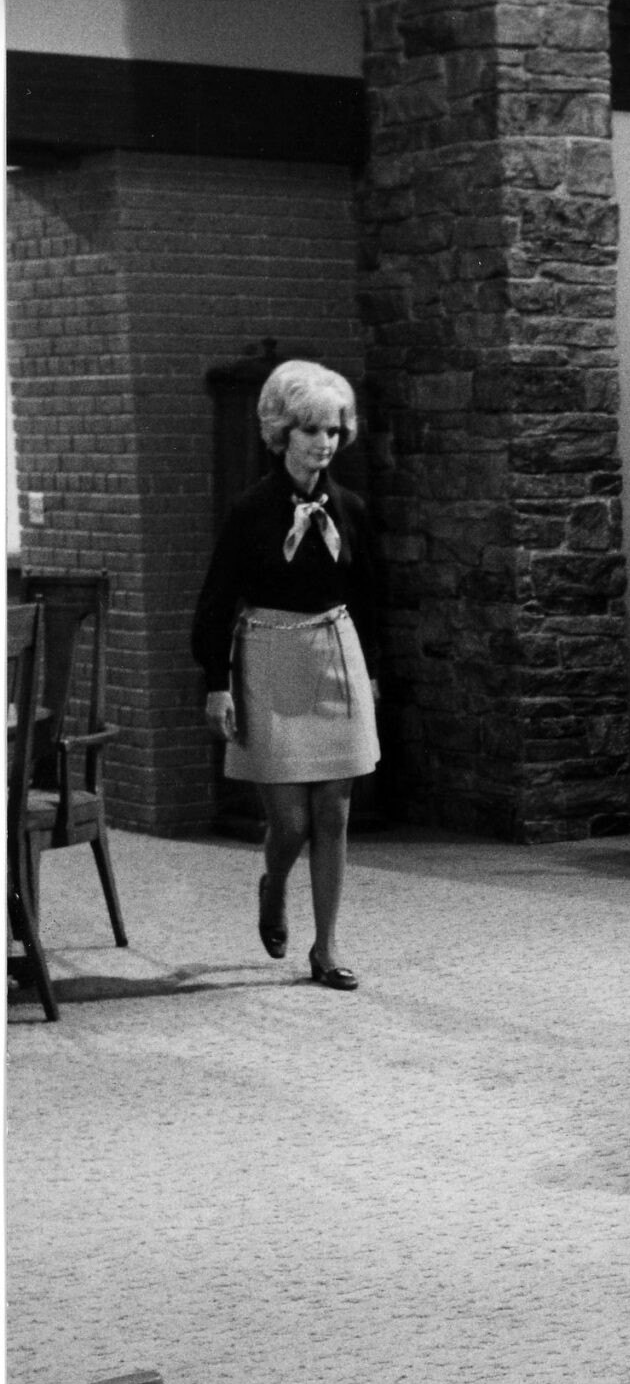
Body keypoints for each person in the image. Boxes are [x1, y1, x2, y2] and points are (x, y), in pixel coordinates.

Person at [192, 359, 383, 992]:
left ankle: (325, 948)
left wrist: (373, 673)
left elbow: (372, 596)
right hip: (269, 658)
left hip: (337, 655)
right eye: (309, 430)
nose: (323, 442)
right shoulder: (251, 509)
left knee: (334, 814)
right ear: (282, 433)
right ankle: (273, 889)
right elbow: (217, 600)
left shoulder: (351, 507)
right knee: (292, 824)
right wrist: (216, 684)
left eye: (332, 430)